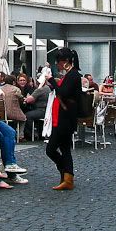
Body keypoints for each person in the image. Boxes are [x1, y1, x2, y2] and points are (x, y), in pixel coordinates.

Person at [45, 48, 82, 190]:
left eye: (59, 62)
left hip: (65, 119)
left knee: (51, 149)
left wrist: (53, 82)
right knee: (65, 148)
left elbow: (64, 93)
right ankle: (68, 178)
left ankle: (65, 171)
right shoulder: (71, 75)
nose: (58, 65)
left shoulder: (73, 75)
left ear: (65, 61)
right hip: (65, 117)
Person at [23, 75, 51, 140]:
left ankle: (31, 135)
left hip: (41, 110)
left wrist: (24, 98)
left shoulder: (40, 89)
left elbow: (29, 100)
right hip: (46, 111)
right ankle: (40, 134)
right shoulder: (47, 88)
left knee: (27, 115)